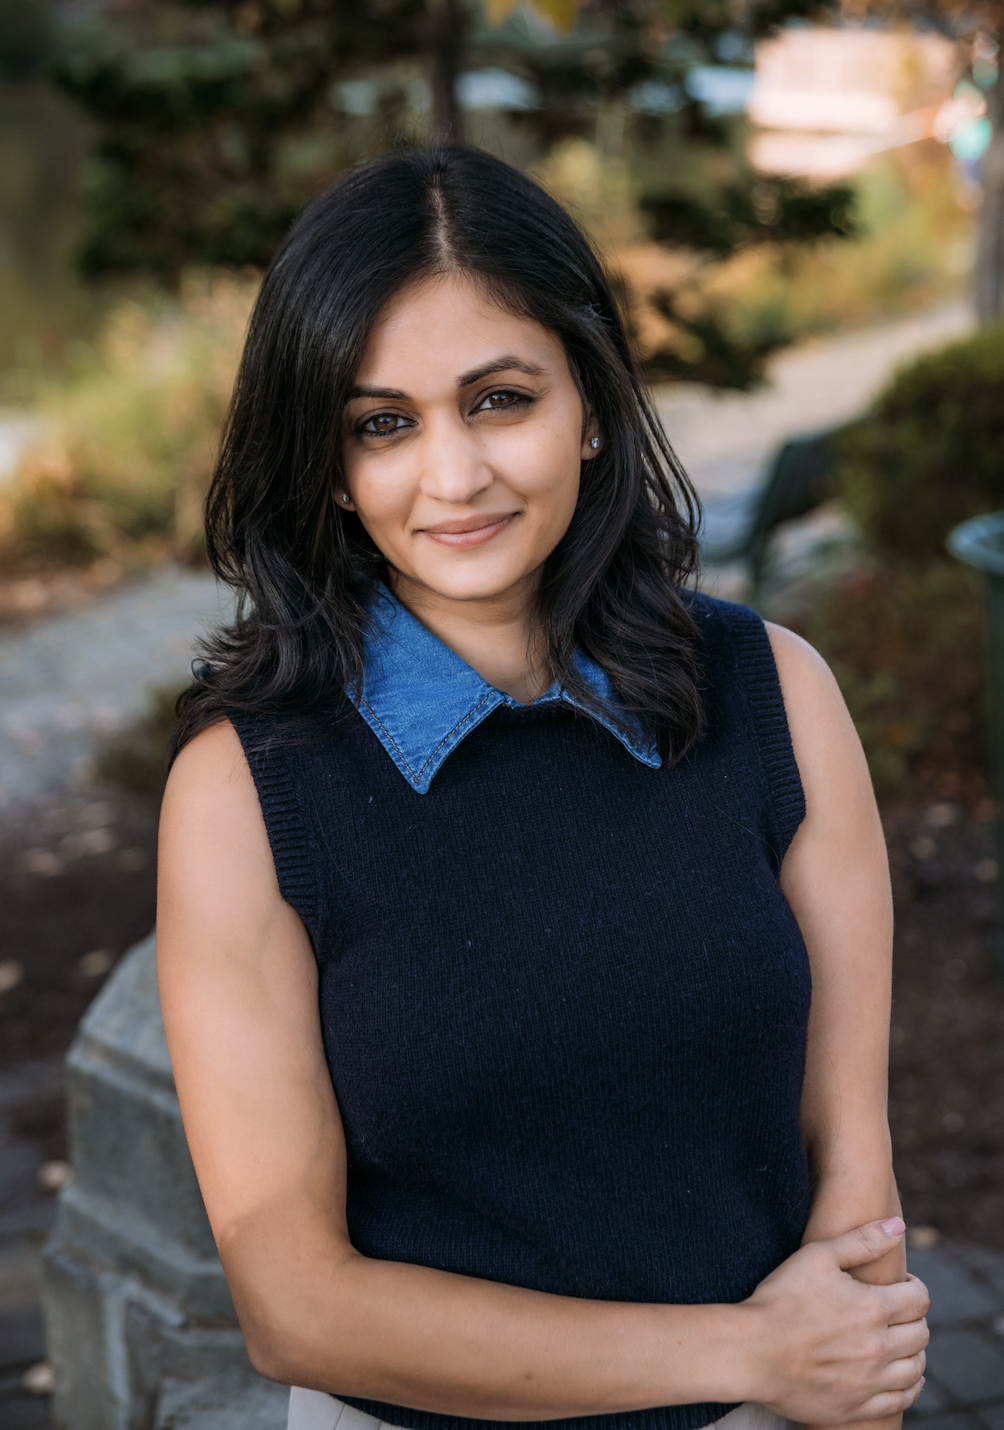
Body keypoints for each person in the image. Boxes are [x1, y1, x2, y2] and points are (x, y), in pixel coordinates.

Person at [157, 145, 929, 1430]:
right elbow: (294, 1302)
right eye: (382, 423)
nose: (451, 477)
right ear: (330, 464)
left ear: (589, 401)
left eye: (498, 399)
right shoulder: (244, 793)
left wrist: (837, 1382)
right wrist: (743, 1351)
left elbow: (855, 1180)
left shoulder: (774, 696)